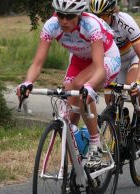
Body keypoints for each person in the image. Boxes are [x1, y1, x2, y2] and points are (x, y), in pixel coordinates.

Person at [17, 0, 121, 168]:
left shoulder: (90, 26)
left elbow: (99, 68)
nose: (64, 21)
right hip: (79, 60)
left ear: (79, 15)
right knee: (67, 118)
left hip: (106, 58)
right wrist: (27, 82)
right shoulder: (51, 26)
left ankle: (95, 145)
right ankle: (78, 169)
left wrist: (89, 87)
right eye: (60, 15)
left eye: (70, 16)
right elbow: (37, 63)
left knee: (81, 85)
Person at [89, 0, 140, 143]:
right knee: (110, 101)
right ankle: (121, 136)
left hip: (135, 57)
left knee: (132, 87)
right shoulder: (91, 26)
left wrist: (138, 82)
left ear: (112, 12)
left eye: (104, 15)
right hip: (115, 62)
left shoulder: (125, 21)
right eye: (96, 16)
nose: (100, 20)